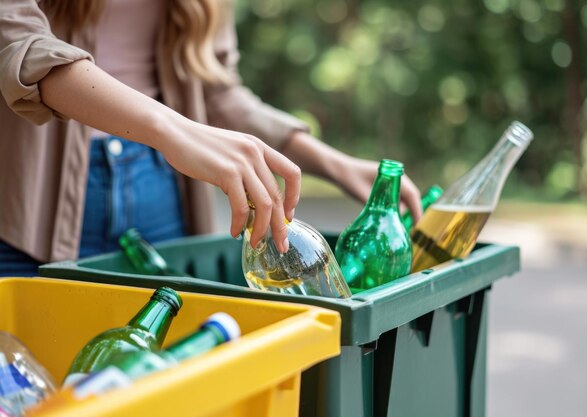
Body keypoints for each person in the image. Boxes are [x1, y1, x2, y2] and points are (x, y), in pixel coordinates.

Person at [0, 0, 422, 277]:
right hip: (27, 200)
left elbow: (215, 90)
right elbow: (20, 46)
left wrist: (334, 164)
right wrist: (174, 133)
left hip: (161, 187)